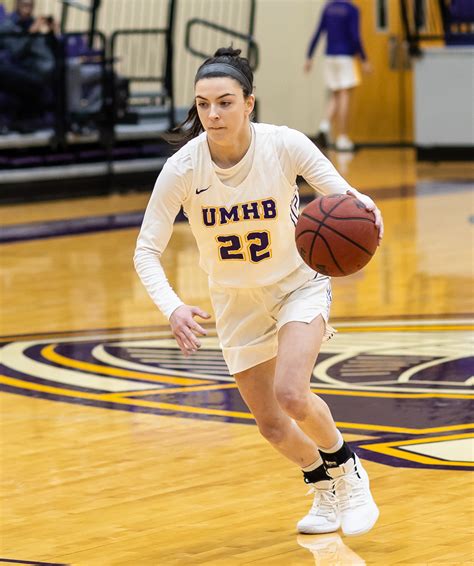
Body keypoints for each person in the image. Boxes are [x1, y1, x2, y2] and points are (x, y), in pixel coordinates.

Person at [134, 47, 383, 537]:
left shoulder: (284, 144)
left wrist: (367, 213)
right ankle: (323, 486)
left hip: (297, 285)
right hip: (234, 301)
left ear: (249, 103)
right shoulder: (182, 170)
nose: (212, 114)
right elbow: (145, 251)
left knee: (292, 392)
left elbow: (343, 197)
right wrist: (173, 307)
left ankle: (350, 472)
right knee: (270, 425)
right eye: (203, 104)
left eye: (224, 102)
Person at [304, 0, 372, 152]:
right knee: (344, 94)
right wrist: (364, 59)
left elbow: (318, 32)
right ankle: (342, 138)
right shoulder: (352, 9)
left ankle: (324, 125)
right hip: (345, 57)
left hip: (330, 56)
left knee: (335, 94)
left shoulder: (328, 8)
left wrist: (309, 56)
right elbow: (355, 36)